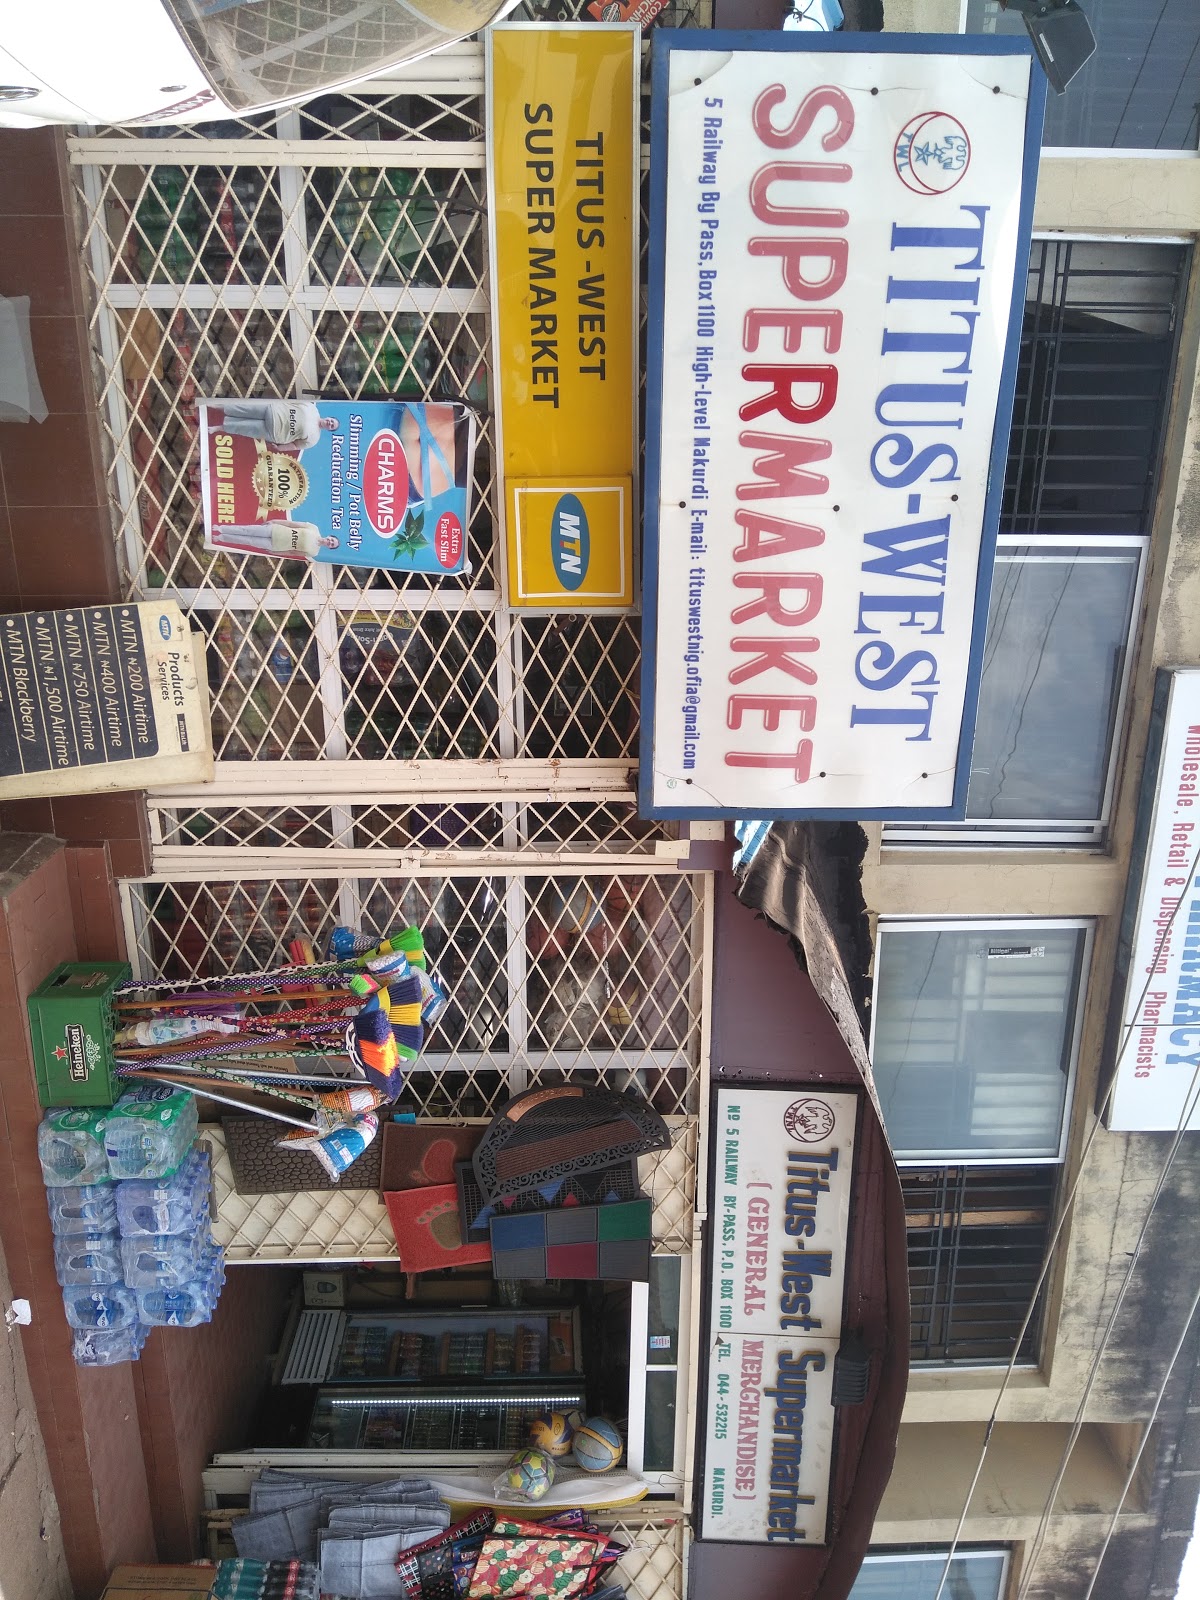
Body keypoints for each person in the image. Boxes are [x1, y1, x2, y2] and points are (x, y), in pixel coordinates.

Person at [215, 398, 337, 451]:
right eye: (331, 421)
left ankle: (218, 428)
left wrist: (279, 448)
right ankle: (214, 407)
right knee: (242, 408)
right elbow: (292, 402)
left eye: (332, 426)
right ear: (329, 417)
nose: (330, 423)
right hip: (273, 410)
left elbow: (295, 445)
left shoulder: (314, 439)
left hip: (274, 432)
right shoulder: (312, 408)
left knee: (244, 427)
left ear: (329, 429)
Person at [210, 521, 339, 561]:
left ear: (329, 547)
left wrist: (276, 553)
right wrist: (275, 521)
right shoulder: (314, 528)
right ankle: (221, 528)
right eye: (332, 540)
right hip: (275, 530)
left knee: (249, 541)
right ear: (329, 536)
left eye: (332, 544)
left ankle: (221, 538)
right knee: (247, 530)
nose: (330, 542)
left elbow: (293, 553)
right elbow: (292, 524)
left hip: (275, 545)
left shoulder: (313, 552)